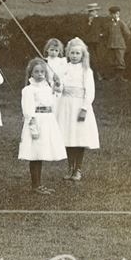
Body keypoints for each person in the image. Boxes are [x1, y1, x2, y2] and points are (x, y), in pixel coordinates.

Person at [19, 58, 66, 195]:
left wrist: (57, 87)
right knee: (35, 154)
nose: (40, 74)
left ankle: (39, 184)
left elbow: (55, 100)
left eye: (42, 72)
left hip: (47, 121)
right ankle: (35, 185)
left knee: (41, 152)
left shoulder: (47, 87)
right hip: (36, 121)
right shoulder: (28, 89)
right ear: (31, 73)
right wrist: (33, 127)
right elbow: (28, 110)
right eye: (36, 72)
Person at [56, 37, 100, 181]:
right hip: (66, 105)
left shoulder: (86, 70)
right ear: (68, 53)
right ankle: (70, 168)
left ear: (82, 55)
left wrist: (84, 108)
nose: (74, 56)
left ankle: (78, 169)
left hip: (79, 105)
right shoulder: (64, 68)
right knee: (68, 136)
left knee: (79, 137)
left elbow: (90, 92)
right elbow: (60, 87)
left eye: (77, 53)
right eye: (72, 53)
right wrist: (57, 86)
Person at [83, 3, 108, 81]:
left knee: (100, 58)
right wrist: (89, 23)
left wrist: (101, 34)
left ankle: (102, 74)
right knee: (92, 59)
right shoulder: (87, 20)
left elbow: (106, 30)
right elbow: (84, 31)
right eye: (90, 12)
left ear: (96, 12)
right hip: (89, 42)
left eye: (92, 11)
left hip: (98, 42)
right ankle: (95, 75)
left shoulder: (100, 20)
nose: (91, 13)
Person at [105, 5, 131, 81]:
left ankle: (120, 76)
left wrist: (123, 41)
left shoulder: (121, 23)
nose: (114, 15)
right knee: (112, 60)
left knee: (120, 60)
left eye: (116, 13)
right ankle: (115, 76)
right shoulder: (109, 23)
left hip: (120, 45)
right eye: (112, 14)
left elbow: (128, 33)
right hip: (111, 45)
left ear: (118, 14)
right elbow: (107, 33)